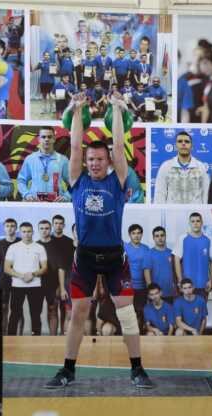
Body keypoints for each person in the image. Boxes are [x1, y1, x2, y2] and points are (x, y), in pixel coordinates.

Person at [45, 90, 153, 389]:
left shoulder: (117, 182)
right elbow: (76, 148)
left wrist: (118, 109)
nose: (93, 163)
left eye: (99, 159)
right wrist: (78, 109)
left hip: (115, 258)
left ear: (107, 163)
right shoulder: (77, 181)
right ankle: (67, 370)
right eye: (91, 159)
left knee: (127, 313)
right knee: (79, 313)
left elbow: (119, 146)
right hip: (86, 259)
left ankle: (137, 369)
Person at [4, 222, 47, 336]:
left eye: (29, 231)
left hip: (35, 286)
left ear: (32, 232)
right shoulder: (13, 247)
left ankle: (36, 338)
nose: (27, 234)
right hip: (17, 286)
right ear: (20, 232)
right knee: (14, 314)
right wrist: (22, 276)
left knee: (36, 314)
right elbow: (6, 268)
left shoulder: (40, 247)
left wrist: (32, 274)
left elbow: (44, 268)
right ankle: (11, 339)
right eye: (24, 232)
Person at [154, 132, 210, 204]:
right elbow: (160, 194)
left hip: (194, 213)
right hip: (172, 213)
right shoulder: (166, 166)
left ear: (191, 146)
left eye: (187, 141)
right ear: (176, 145)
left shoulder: (200, 166)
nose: (183, 144)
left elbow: (206, 194)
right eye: (180, 141)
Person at [17, 126, 70, 202]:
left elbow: (73, 183)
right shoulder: (30, 159)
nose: (46, 139)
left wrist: (66, 196)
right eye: (43, 137)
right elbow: (21, 181)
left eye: (49, 137)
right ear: (39, 139)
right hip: (35, 203)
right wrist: (26, 194)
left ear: (54, 139)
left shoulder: (63, 160)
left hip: (56, 204)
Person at [174, 212, 212, 300]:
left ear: (202, 223)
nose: (195, 223)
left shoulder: (208, 239)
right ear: (189, 223)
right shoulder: (182, 238)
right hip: (187, 285)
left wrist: (210, 280)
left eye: (198, 221)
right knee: (186, 312)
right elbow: (176, 259)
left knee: (201, 312)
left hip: (203, 284)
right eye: (193, 221)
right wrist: (180, 280)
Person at [37, 220, 65, 336]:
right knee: (36, 312)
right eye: (42, 228)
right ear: (38, 230)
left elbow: (61, 268)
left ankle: (53, 338)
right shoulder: (35, 246)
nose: (44, 230)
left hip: (53, 284)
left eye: (47, 228)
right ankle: (36, 337)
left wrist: (61, 286)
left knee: (53, 310)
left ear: (51, 229)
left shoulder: (58, 246)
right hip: (37, 284)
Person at [51, 215, 75, 335]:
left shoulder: (69, 242)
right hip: (49, 280)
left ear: (64, 225)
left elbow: (69, 265)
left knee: (65, 309)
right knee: (52, 310)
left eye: (60, 223)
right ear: (53, 224)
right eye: (56, 223)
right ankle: (52, 337)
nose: (58, 225)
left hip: (65, 280)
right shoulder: (47, 240)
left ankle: (62, 336)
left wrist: (63, 285)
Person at [0, 218, 20, 334]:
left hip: (19, 280)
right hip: (4, 280)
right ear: (4, 228)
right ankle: (3, 334)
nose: (10, 228)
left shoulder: (21, 242)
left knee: (17, 310)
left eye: (12, 226)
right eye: (8, 226)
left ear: (16, 228)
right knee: (3, 308)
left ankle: (15, 335)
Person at [124, 224, 150, 334]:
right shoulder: (124, 247)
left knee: (140, 312)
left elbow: (148, 268)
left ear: (142, 234)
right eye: (134, 233)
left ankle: (139, 335)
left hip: (142, 287)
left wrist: (149, 285)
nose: (136, 235)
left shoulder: (146, 249)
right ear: (129, 235)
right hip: (128, 287)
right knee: (128, 313)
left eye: (139, 233)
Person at [143, 226, 175, 305]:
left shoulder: (171, 253)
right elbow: (146, 273)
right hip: (156, 294)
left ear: (165, 236)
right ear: (153, 238)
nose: (160, 238)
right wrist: (151, 291)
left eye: (162, 235)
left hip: (170, 293)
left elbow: (175, 272)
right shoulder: (149, 254)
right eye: (157, 236)